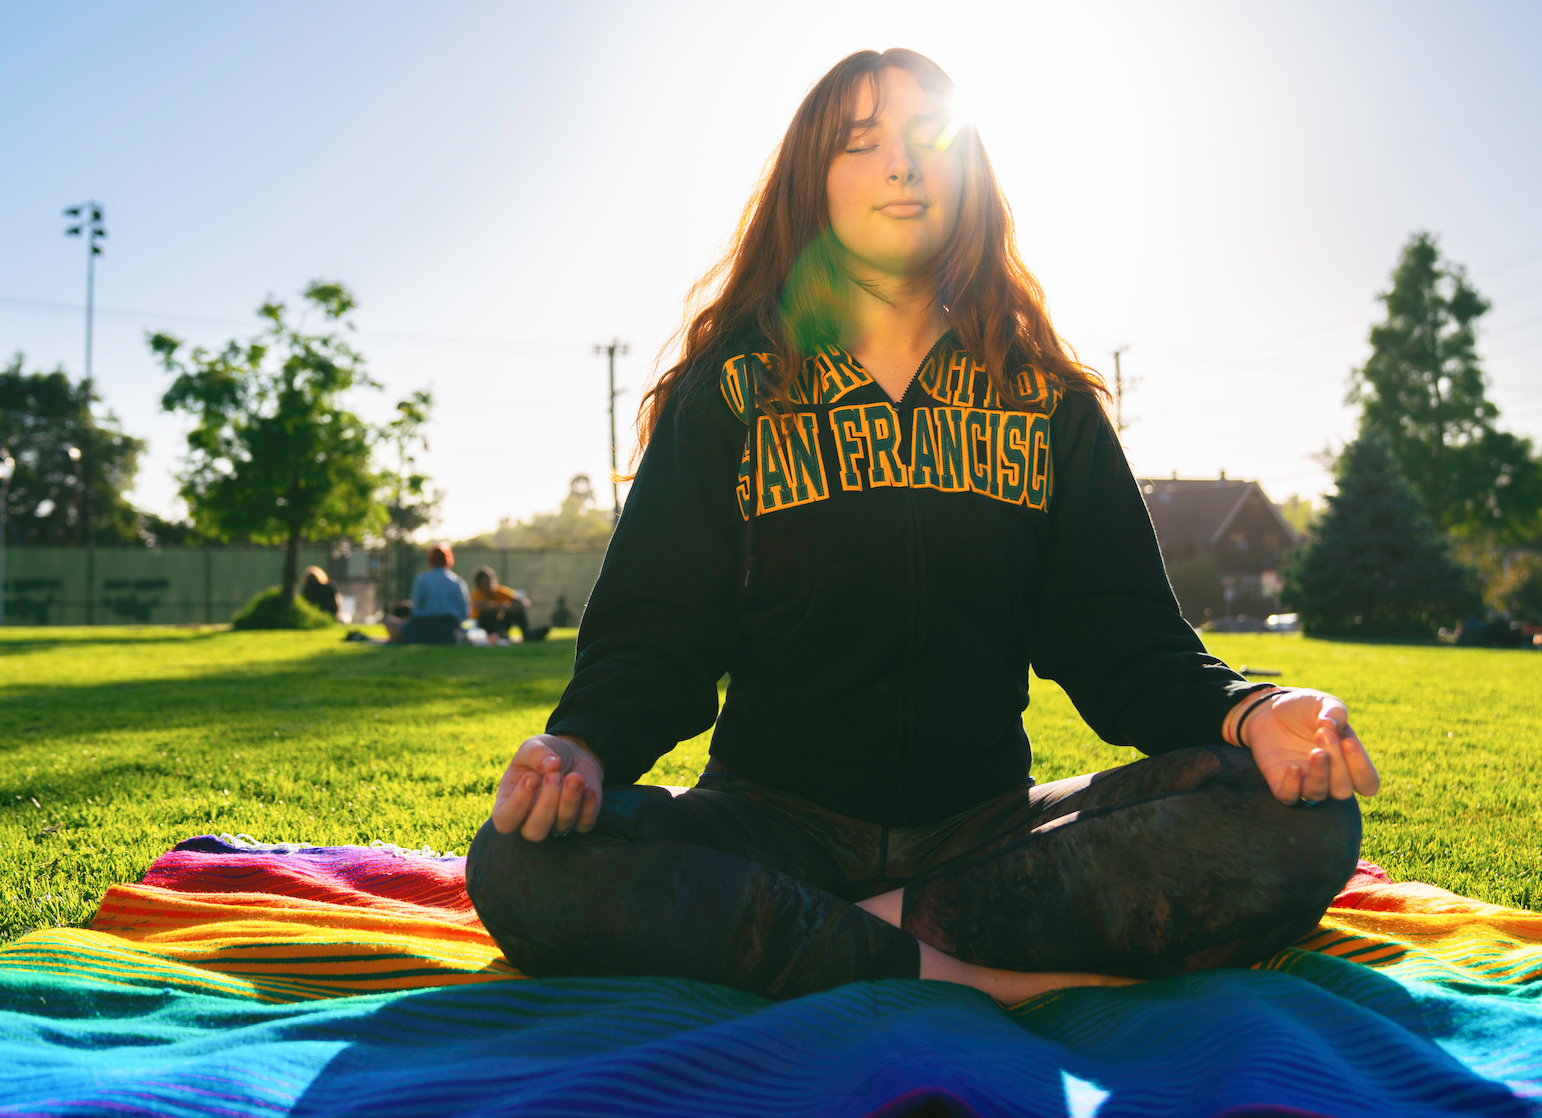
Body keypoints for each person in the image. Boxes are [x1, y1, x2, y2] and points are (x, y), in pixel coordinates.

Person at [466, 49, 1379, 1006]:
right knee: (520, 862)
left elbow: (1124, 642)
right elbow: (656, 643)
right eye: (862, 144)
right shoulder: (730, 396)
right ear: (811, 186)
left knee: (1300, 822)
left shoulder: (1047, 403)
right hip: (767, 827)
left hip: (981, 839)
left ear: (969, 178)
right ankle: (972, 976)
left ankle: (833, 941)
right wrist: (581, 749)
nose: (902, 166)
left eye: (929, 141)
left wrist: (1253, 709)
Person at [396, 545, 469, 645]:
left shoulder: (422, 579)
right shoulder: (457, 581)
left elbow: (416, 609)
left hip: (425, 626)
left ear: (430, 560)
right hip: (449, 629)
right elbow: (464, 611)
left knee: (390, 622)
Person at [471, 567, 550, 643]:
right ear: (479, 584)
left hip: (500, 623)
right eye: (484, 583)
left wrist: (513, 607)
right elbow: (481, 606)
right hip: (483, 626)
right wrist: (503, 606)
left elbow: (524, 602)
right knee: (487, 613)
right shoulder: (477, 593)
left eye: (489, 581)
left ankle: (526, 634)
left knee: (516, 609)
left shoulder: (499, 590)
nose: (488, 585)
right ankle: (500, 634)